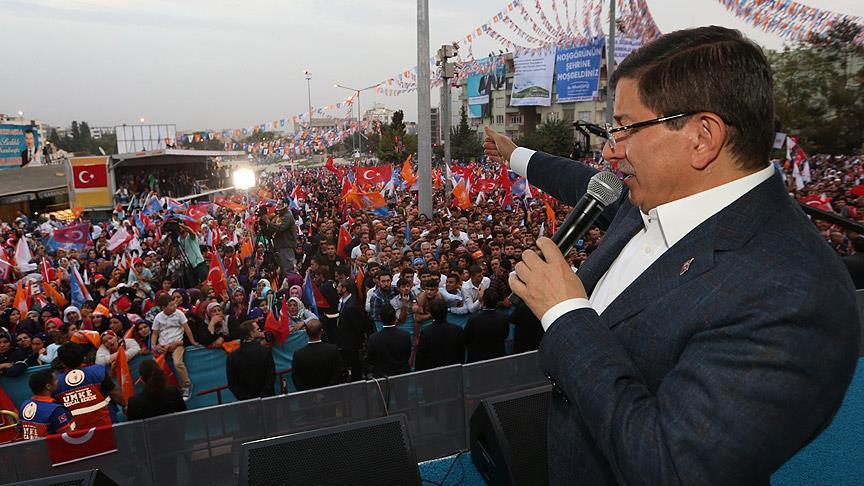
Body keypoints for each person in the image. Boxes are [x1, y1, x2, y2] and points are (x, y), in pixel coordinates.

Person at [482, 26, 860, 484]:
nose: (610, 150)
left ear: (702, 137)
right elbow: (583, 182)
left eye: (625, 128)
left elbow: (670, 466)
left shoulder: (794, 295)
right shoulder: (653, 196)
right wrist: (516, 155)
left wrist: (565, 313)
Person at [52, 343, 125, 429]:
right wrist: (126, 405)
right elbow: (114, 393)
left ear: (62, 363)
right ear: (83, 357)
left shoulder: (55, 383)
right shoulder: (98, 371)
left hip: (77, 432)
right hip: (107, 424)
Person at [151, 293, 199, 400]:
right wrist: (154, 346)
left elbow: (187, 329)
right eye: (171, 305)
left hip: (177, 344)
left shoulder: (179, 314)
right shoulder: (158, 318)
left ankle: (186, 385)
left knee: (177, 363)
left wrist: (192, 341)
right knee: (156, 367)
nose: (174, 306)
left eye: (174, 304)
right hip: (163, 346)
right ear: (164, 307)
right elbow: (155, 333)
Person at [19, 369, 76, 440]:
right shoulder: (56, 410)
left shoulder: (24, 405)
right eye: (55, 380)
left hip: (31, 446)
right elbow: (68, 437)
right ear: (48, 386)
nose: (57, 381)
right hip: (51, 446)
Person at [226, 320, 275, 400]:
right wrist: (263, 395)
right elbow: (271, 376)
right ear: (251, 334)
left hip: (246, 402)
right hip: (267, 399)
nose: (260, 331)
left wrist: (245, 398)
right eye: (258, 329)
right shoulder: (265, 351)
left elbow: (232, 383)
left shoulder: (232, 356)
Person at [291, 319, 344, 391]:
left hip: (309, 395)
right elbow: (338, 372)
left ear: (306, 332)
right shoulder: (333, 350)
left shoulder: (298, 355)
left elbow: (296, 379)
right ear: (322, 331)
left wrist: (307, 392)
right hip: (331, 392)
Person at [414, 299, 464, 371]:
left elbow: (420, 359)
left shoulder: (426, 333)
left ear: (431, 313)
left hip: (433, 373)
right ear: (446, 312)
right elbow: (461, 355)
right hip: (454, 371)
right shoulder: (458, 330)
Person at [365, 304, 411, 378]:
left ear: (380, 318)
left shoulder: (373, 339)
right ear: (395, 317)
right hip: (402, 375)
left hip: (383, 377)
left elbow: (371, 359)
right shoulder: (405, 335)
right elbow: (407, 355)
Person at [463, 289, 509, 363]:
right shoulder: (504, 317)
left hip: (477, 359)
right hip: (498, 357)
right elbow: (505, 335)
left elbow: (466, 338)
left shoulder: (474, 319)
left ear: (483, 301)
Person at [335, 279, 365, 381]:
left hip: (351, 343)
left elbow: (357, 326)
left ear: (344, 289)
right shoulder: (344, 302)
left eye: (339, 287)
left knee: (354, 365)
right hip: (345, 340)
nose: (337, 288)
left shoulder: (351, 306)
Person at [260, 205, 298, 279]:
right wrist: (265, 225)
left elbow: (280, 228)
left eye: (279, 205)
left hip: (286, 245)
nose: (277, 207)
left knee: (288, 269)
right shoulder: (277, 217)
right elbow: (270, 232)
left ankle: (292, 284)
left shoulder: (287, 215)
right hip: (279, 246)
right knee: (283, 269)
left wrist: (269, 222)